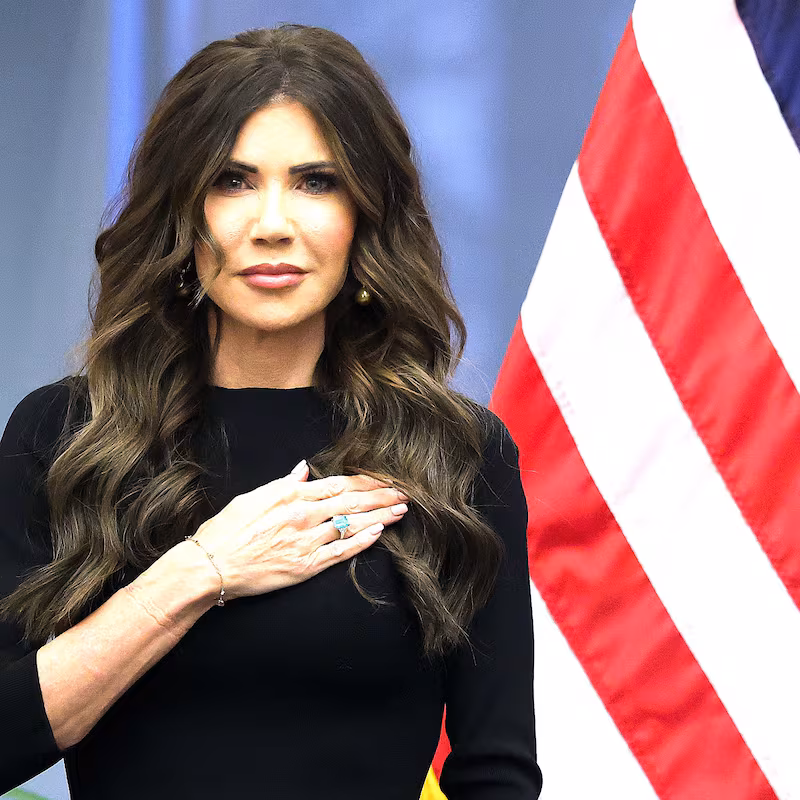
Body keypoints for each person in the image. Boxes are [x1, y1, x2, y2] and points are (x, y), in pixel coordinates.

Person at [0, 24, 542, 799]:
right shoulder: (67, 437)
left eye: (316, 181)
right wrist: (201, 570)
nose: (273, 222)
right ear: (181, 212)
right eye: (232, 180)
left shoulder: (454, 450)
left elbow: (497, 773)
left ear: (366, 212)